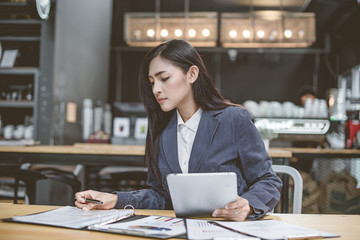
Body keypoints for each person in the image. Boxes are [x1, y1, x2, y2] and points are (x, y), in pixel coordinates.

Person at [75, 40, 282, 221]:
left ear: (192, 74)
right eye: (152, 82)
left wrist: (248, 204)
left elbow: (268, 180)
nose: (156, 89)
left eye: (164, 78)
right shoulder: (162, 130)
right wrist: (115, 199)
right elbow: (162, 196)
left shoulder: (234, 120)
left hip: (229, 230)